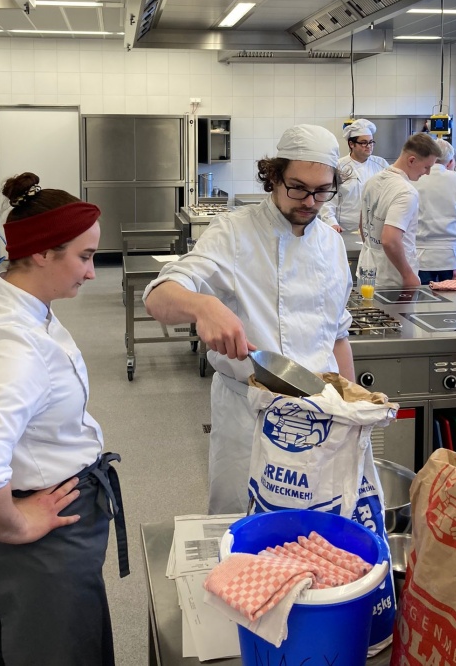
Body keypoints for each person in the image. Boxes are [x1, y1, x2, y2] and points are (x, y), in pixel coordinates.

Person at [0, 173, 129, 666]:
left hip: (55, 527)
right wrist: (17, 525)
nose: (92, 272)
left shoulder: (27, 308)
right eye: (85, 257)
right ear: (44, 252)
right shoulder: (12, 347)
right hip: (36, 551)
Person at [144, 125, 354, 514]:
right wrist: (203, 307)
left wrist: (350, 407)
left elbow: (338, 336)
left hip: (319, 416)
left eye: (322, 190)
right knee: (242, 524)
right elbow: (159, 296)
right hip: (250, 418)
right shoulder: (233, 233)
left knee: (314, 530)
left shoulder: (332, 244)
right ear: (273, 177)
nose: (310, 201)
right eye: (298, 188)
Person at [358, 133, 443, 290]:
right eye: (426, 167)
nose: (428, 173)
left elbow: (363, 226)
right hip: (393, 280)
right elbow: (390, 240)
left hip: (367, 272)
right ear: (411, 160)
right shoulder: (406, 192)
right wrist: (407, 275)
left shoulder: (372, 181)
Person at [320, 118, 388, 234]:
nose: (369, 146)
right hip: (345, 229)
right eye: (364, 142)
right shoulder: (338, 167)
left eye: (371, 142)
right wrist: (332, 223)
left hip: (375, 229)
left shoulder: (381, 165)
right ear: (351, 144)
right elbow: (327, 199)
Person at [415, 139, 456, 284]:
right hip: (452, 256)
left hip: (421, 255)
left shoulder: (415, 178)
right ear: (451, 162)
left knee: (422, 297)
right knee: (452, 296)